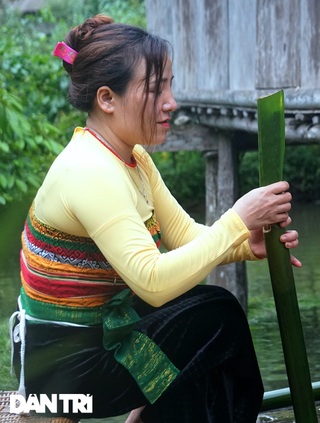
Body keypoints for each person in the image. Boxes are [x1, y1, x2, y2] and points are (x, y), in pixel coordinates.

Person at [11, 15, 301, 422]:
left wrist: (244, 245)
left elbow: (186, 237)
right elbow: (153, 282)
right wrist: (236, 219)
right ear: (107, 99)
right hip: (59, 385)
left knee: (208, 309)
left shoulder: (132, 158)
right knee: (216, 317)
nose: (171, 102)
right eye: (155, 89)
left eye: (169, 85)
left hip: (98, 346)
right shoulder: (89, 171)